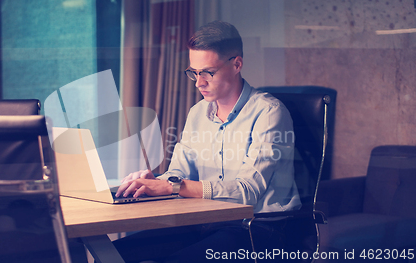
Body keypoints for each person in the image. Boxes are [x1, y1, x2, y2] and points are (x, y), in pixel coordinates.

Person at [114, 20, 301, 263]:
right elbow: (179, 171)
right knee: (113, 255)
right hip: (203, 221)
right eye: (194, 72)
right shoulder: (198, 112)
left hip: (258, 229)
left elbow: (248, 191)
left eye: (208, 72)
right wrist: (156, 182)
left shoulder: (269, 113)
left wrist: (173, 186)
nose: (198, 82)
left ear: (237, 64)